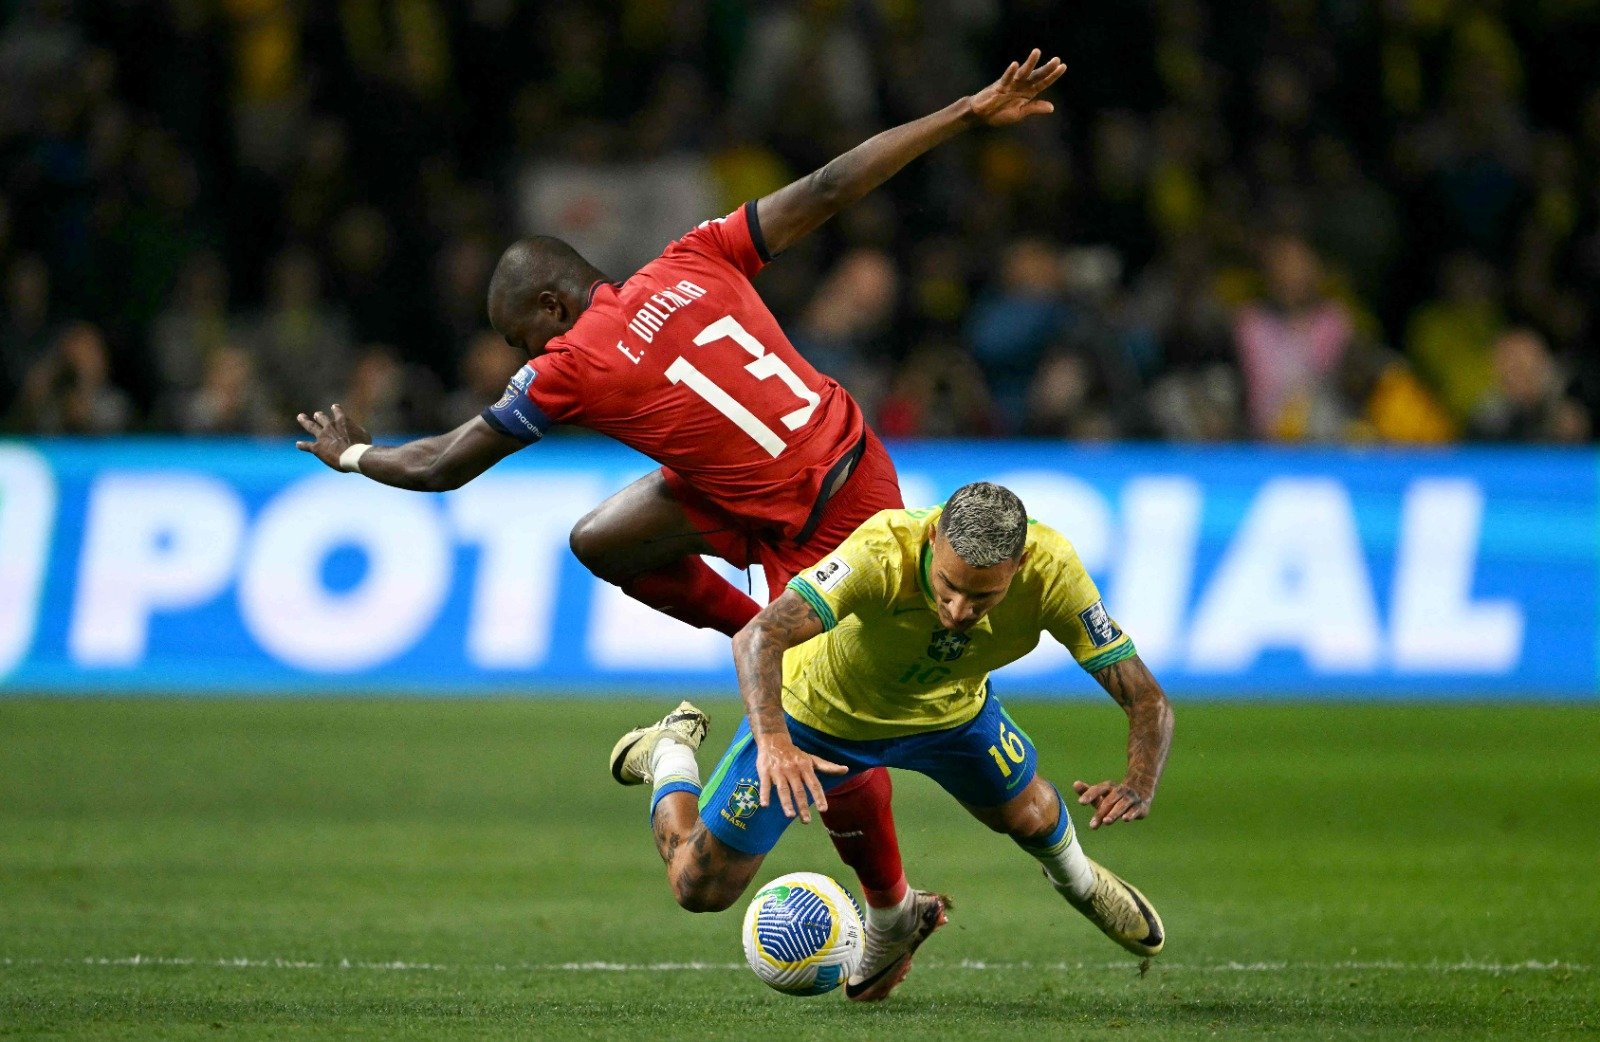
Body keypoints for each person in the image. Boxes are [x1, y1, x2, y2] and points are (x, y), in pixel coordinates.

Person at [293, 50, 1069, 988]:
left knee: (829, 727)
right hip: (841, 466)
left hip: (833, 522)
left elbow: (446, 462)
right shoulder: (692, 254)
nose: (518, 357)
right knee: (601, 538)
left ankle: (888, 909)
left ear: (550, 304)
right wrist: (963, 113)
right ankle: (761, 646)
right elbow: (829, 184)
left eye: (516, 339)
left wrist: (352, 456)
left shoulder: (568, 360)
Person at [610, 482, 1174, 1000]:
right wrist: (776, 743)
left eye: (982, 599)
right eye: (949, 587)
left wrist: (1140, 781)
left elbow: (1147, 698)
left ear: (1019, 564)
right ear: (933, 539)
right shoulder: (881, 551)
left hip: (950, 714)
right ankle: (670, 750)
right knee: (697, 887)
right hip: (818, 717)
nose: (958, 612)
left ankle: (1079, 882)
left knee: (1027, 815)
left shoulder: (1053, 570)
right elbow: (760, 635)